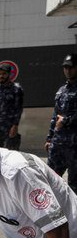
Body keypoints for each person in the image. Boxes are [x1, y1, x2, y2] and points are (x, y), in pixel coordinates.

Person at [46, 53, 77, 195]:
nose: (68, 70)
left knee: (74, 185)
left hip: (74, 146)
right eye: (65, 67)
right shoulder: (62, 90)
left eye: (71, 67)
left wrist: (65, 120)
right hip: (58, 144)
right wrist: (49, 137)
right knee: (50, 180)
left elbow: (61, 119)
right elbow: (55, 115)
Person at [0, 64, 24, 150]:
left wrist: (15, 125)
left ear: (9, 74)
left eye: (4, 74)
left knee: (10, 154)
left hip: (8, 127)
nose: (1, 76)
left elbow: (18, 108)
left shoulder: (16, 89)